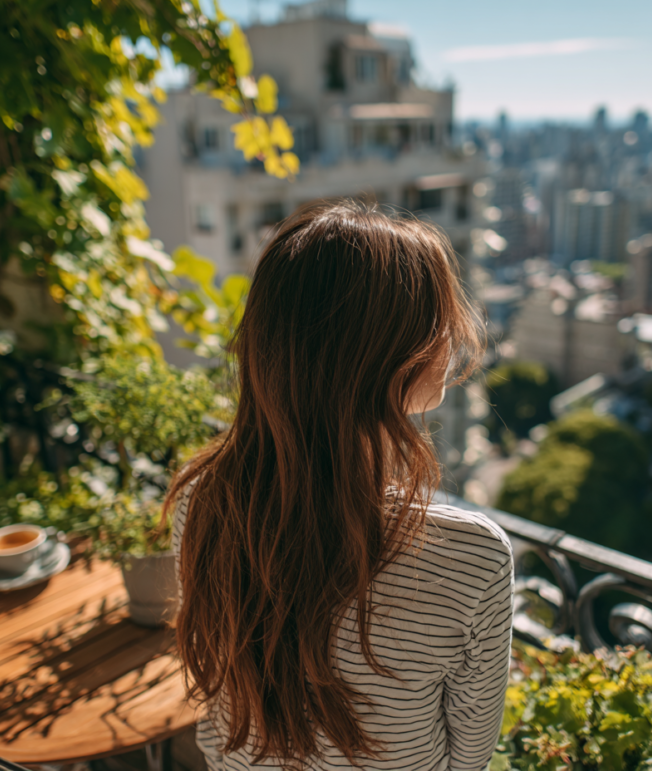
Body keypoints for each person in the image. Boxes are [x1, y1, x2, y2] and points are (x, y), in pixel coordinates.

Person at [164, 201, 514, 771]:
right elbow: (469, 757)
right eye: (439, 320)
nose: (454, 337)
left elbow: (217, 705)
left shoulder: (207, 502)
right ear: (390, 358)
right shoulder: (472, 557)